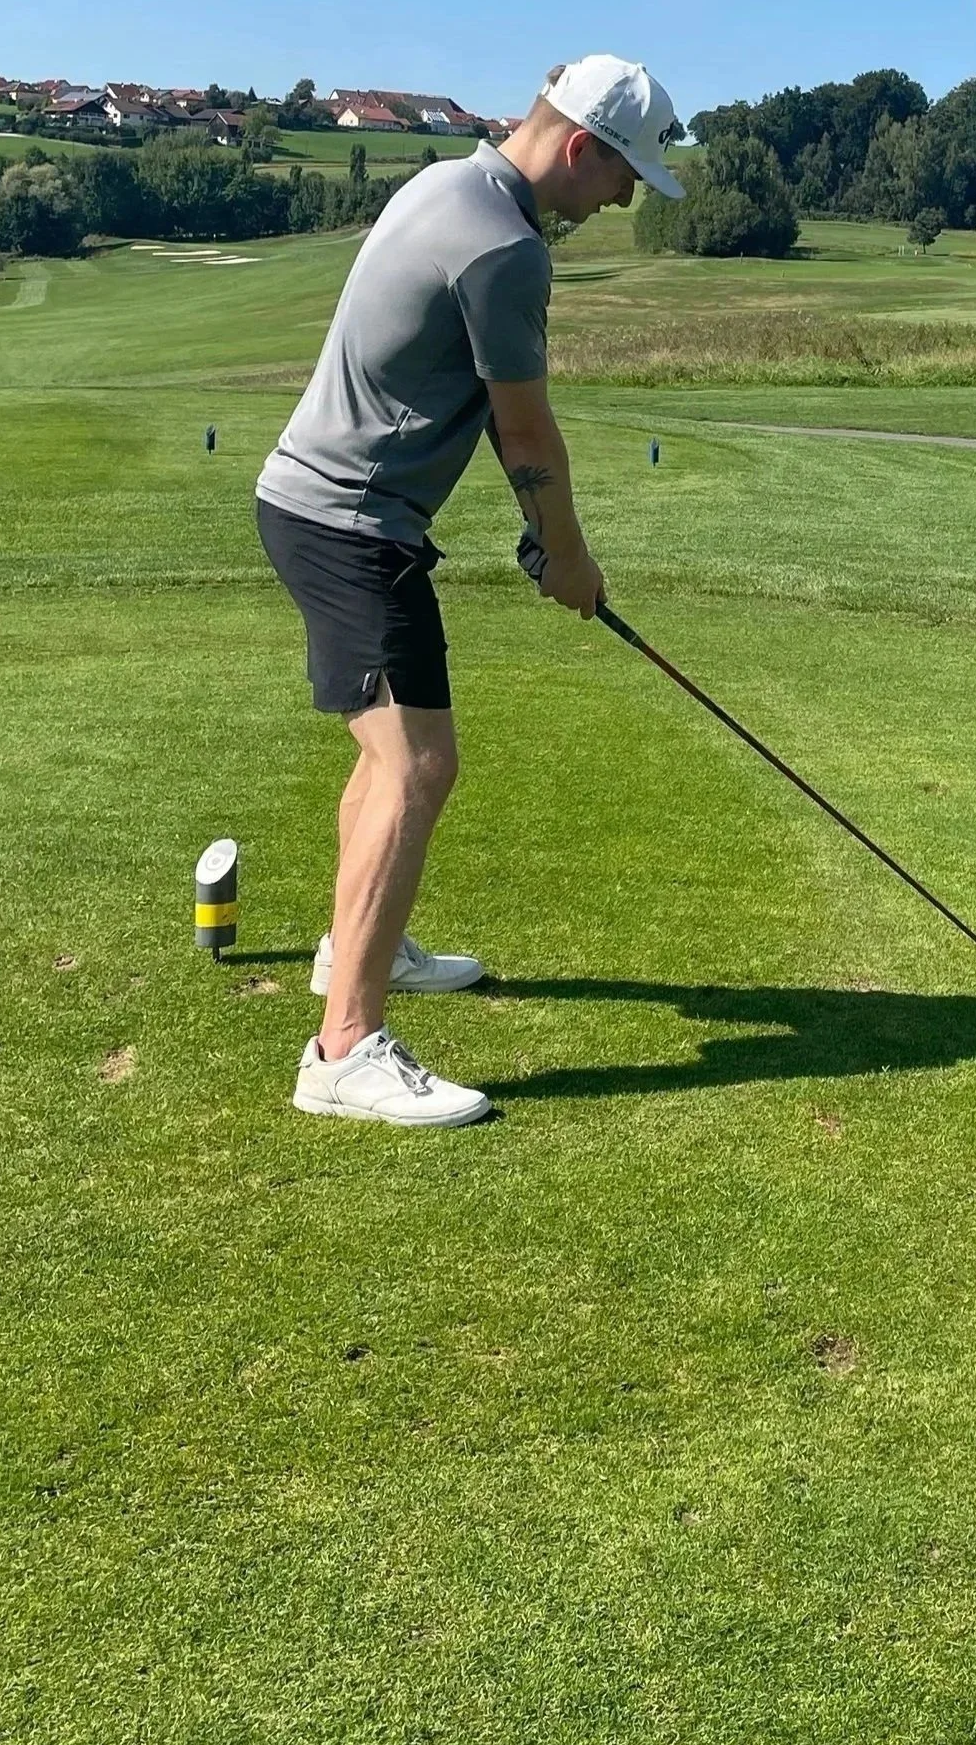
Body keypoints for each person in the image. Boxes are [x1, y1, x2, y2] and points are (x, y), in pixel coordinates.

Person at [254, 56, 684, 1127]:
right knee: (420, 761)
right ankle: (342, 1049)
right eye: (625, 174)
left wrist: (544, 537)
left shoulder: (449, 184)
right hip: (349, 520)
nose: (626, 198)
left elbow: (483, 414)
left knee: (389, 752)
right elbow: (527, 428)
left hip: (319, 507)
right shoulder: (505, 245)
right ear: (582, 149)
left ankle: (358, 947)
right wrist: (568, 555)